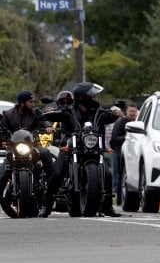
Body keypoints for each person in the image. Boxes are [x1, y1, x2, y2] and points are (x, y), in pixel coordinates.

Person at [38, 82, 122, 218]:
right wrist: (48, 113)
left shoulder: (98, 111)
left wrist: (117, 113)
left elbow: (110, 116)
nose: (95, 99)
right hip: (71, 145)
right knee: (58, 173)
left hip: (92, 147)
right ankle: (46, 206)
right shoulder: (69, 111)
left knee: (107, 174)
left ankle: (107, 207)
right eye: (93, 96)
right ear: (84, 97)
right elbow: (55, 115)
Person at [0, 90, 55, 205]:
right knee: (4, 172)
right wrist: (4, 138)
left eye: (34, 102)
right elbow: (2, 127)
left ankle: (52, 184)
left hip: (33, 146)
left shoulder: (36, 112)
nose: (33, 104)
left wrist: (48, 126)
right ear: (22, 103)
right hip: (14, 149)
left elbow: (43, 120)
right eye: (31, 102)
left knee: (46, 153)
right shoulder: (9, 114)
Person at [110, 103, 138, 205]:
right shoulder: (121, 122)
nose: (132, 113)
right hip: (120, 154)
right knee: (120, 176)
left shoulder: (140, 123)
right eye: (130, 111)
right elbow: (114, 138)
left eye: (134, 112)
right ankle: (119, 200)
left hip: (135, 155)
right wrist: (127, 138)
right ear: (126, 112)